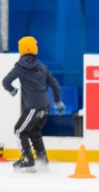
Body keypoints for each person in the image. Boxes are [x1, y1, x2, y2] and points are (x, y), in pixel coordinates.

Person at [3, 36, 64, 173]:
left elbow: (6, 81)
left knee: (19, 130)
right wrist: (58, 102)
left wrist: (12, 91)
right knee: (33, 131)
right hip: (45, 106)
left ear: (21, 50)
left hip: (33, 107)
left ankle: (28, 160)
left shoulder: (19, 68)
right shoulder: (42, 67)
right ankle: (42, 160)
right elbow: (55, 84)